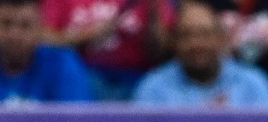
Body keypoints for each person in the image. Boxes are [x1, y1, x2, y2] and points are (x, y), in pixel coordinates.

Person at [0, 0, 95, 102]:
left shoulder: (62, 64)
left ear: (40, 29)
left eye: (25, 26)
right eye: (6, 24)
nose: (14, 35)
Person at [133, 0, 268, 106]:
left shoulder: (253, 84)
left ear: (221, 39)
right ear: (174, 42)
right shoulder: (154, 88)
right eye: (186, 35)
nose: (197, 43)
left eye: (205, 34)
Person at [41, 0, 174, 100]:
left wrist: (153, 13)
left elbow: (164, 51)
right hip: (83, 75)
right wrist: (89, 35)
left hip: (138, 78)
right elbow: (42, 37)